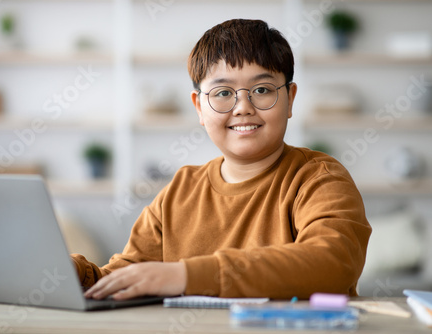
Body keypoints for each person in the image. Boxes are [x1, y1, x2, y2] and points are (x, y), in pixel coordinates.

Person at [72, 18, 372, 301]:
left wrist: (188, 275)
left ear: (290, 99)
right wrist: (74, 274)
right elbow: (129, 276)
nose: (243, 107)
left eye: (262, 89)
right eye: (223, 92)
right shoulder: (180, 189)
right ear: (199, 107)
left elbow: (332, 262)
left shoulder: (320, 178)